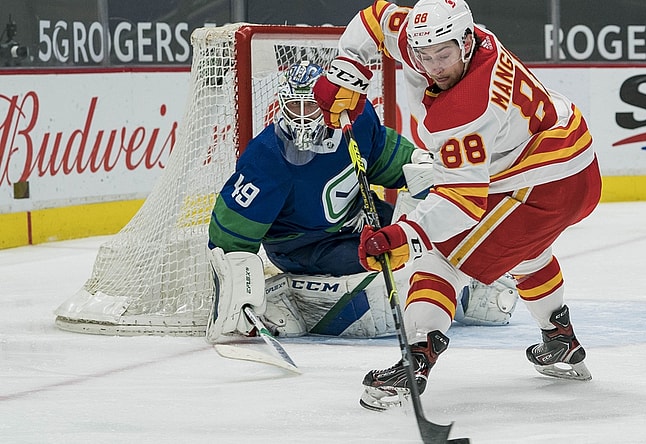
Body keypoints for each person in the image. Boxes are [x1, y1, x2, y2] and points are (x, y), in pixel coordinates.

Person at [313, 0, 602, 410]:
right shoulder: (438, 37)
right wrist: (348, 68)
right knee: (525, 250)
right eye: (424, 56)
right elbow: (375, 18)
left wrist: (405, 236)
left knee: (439, 256)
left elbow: (461, 204)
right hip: (563, 160)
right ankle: (561, 342)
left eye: (443, 55)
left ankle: (416, 360)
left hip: (545, 184)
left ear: (466, 41)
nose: (433, 66)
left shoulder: (468, 109)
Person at [206, 61, 516, 344]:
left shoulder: (359, 118)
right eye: (295, 105)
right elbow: (231, 233)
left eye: (311, 105)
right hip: (303, 246)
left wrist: (421, 164)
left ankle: (464, 278)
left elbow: (385, 157)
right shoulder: (268, 157)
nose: (302, 115)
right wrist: (238, 288)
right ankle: (282, 298)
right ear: (282, 106)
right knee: (395, 266)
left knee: (427, 228)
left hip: (359, 219)